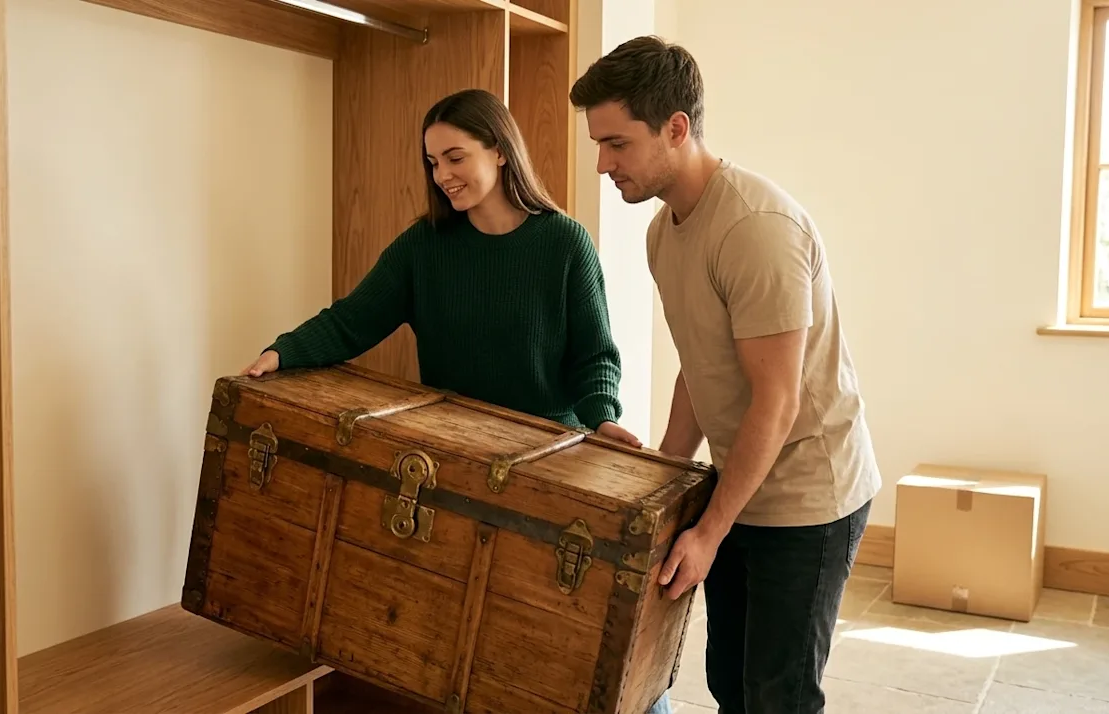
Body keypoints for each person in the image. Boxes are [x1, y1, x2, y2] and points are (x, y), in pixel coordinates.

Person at [570, 37, 881, 714]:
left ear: (676, 128)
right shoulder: (663, 234)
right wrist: (666, 478)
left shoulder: (755, 227)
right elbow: (699, 363)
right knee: (730, 686)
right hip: (737, 484)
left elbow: (778, 400)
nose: (602, 164)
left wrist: (708, 532)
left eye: (617, 143)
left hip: (808, 495)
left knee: (780, 697)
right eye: (599, 144)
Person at [242, 88, 641, 446]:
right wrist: (283, 351)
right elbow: (352, 320)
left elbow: (594, 357)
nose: (442, 176)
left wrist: (602, 417)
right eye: (433, 162)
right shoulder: (422, 246)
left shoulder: (566, 243)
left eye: (455, 158)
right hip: (449, 446)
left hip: (545, 451)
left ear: (500, 151)